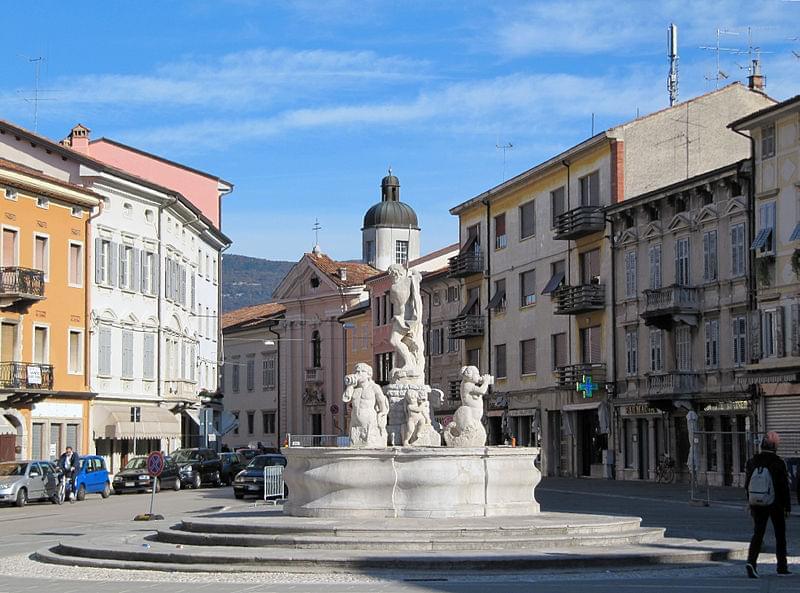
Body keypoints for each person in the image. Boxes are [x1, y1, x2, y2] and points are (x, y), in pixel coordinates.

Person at [744, 431, 791, 578]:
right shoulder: (778, 462)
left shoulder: (752, 461)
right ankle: (781, 566)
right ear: (775, 447)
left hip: (757, 502)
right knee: (780, 534)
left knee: (758, 533)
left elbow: (747, 484)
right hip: (775, 503)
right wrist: (787, 506)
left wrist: (749, 501)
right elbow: (784, 487)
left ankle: (751, 562)